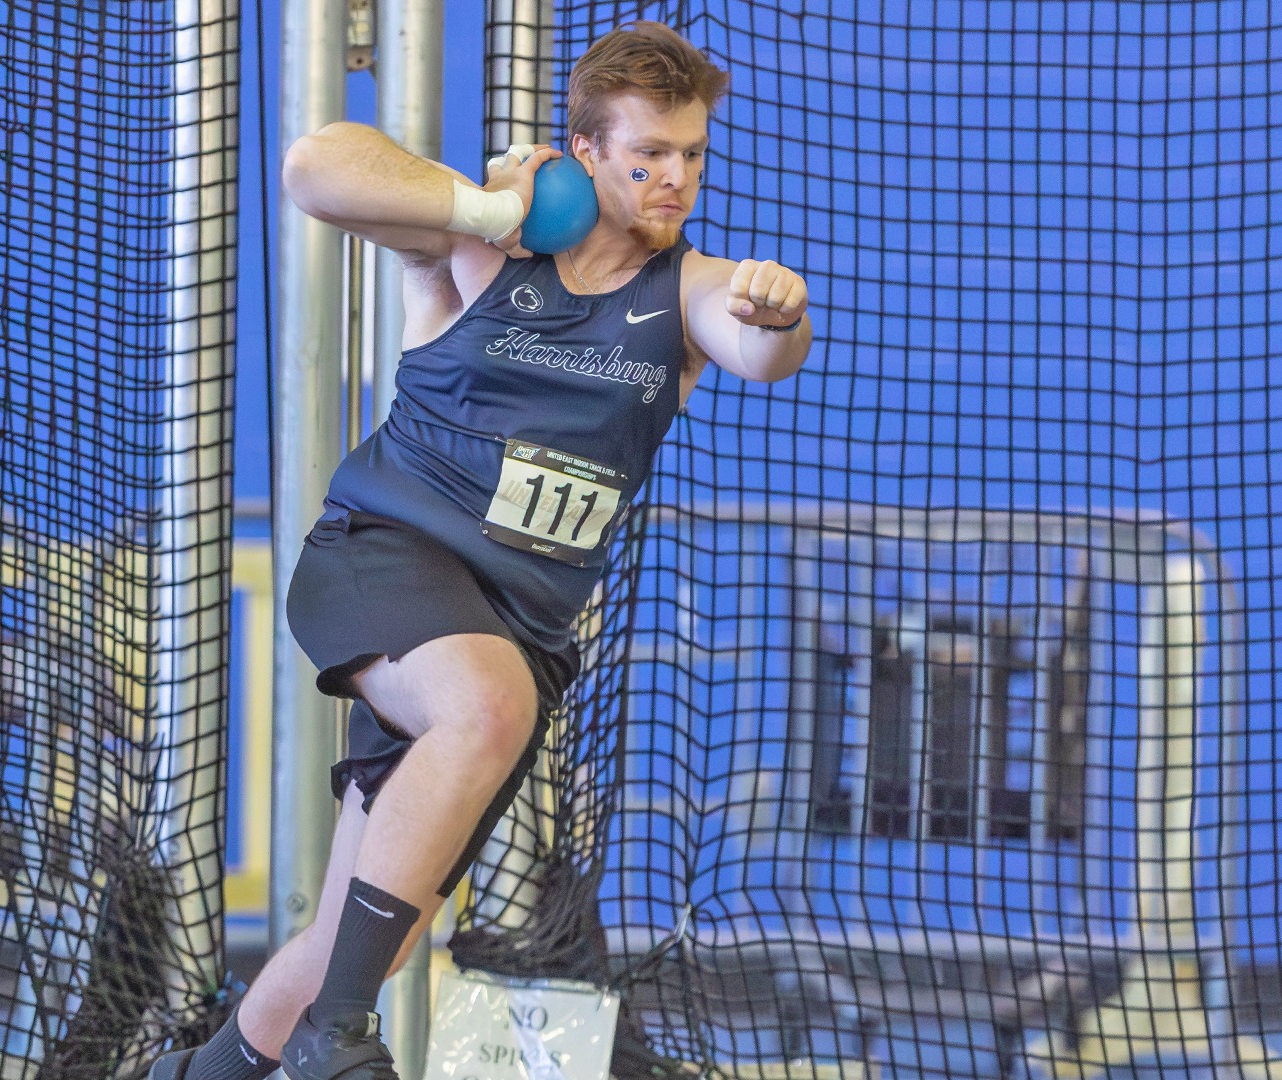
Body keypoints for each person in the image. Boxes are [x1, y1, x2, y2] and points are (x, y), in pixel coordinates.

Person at [151, 20, 812, 1080]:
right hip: (384, 555)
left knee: (364, 932)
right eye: (647, 155)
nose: (676, 178)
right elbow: (315, 167)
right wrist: (491, 205)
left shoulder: (687, 291)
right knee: (484, 711)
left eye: (692, 155)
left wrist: (781, 310)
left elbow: (763, 351)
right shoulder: (484, 251)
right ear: (586, 152)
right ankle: (338, 1041)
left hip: (515, 632)